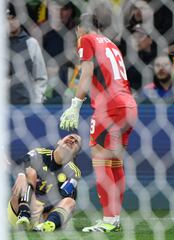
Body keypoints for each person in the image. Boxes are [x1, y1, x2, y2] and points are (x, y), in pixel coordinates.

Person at [59, 11, 137, 232]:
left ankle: (108, 220)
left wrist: (75, 104)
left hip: (109, 108)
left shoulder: (87, 39)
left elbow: (86, 74)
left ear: (80, 28)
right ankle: (114, 218)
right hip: (128, 105)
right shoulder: (111, 44)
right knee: (115, 162)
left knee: (100, 159)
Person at [8, 133, 82, 232]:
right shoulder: (40, 153)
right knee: (28, 172)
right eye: (70, 137)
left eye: (76, 142)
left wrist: (43, 208)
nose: (72, 140)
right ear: (59, 142)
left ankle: (48, 225)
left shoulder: (74, 172)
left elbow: (63, 195)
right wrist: (21, 175)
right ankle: (24, 215)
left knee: (70, 201)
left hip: (43, 216)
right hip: (19, 208)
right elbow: (21, 162)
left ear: (76, 153)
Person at [7, 2, 48, 104]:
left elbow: (40, 76)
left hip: (26, 104)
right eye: (6, 18)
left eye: (13, 18)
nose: (10, 22)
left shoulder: (31, 43)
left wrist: (37, 101)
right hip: (0, 106)